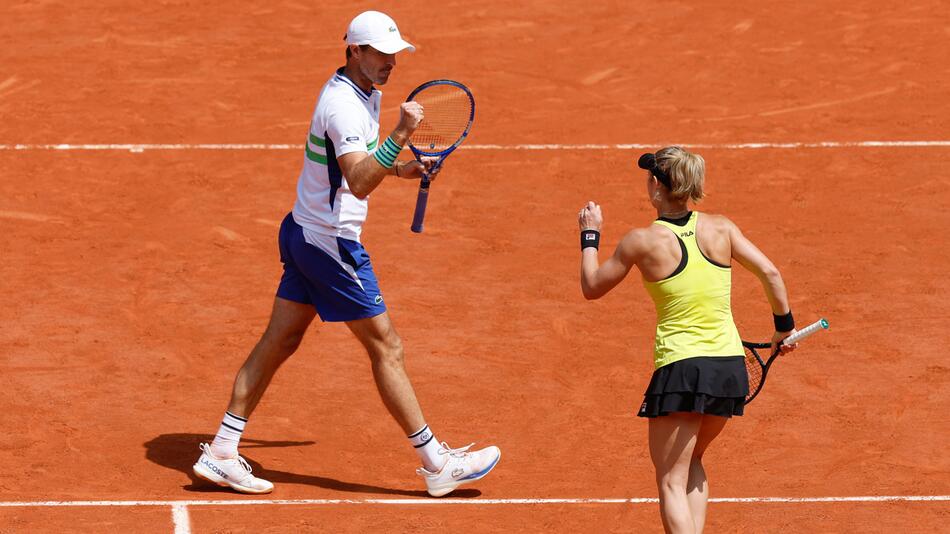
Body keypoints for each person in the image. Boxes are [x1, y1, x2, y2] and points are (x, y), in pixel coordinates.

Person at [192, 10, 500, 498]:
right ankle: (436, 463)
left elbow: (357, 174)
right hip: (329, 244)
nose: (390, 63)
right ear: (354, 51)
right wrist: (400, 134)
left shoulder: (361, 93)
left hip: (302, 230)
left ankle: (223, 450)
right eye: (380, 53)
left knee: (281, 339)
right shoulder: (344, 107)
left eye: (395, 54)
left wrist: (399, 171)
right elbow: (357, 180)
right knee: (387, 346)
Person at [577, 146, 797, 533]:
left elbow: (592, 287)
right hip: (728, 370)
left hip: (681, 370)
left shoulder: (641, 241)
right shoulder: (722, 228)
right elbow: (771, 273)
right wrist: (784, 327)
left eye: (650, 177)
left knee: (669, 480)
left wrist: (589, 236)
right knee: (692, 460)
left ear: (659, 188)